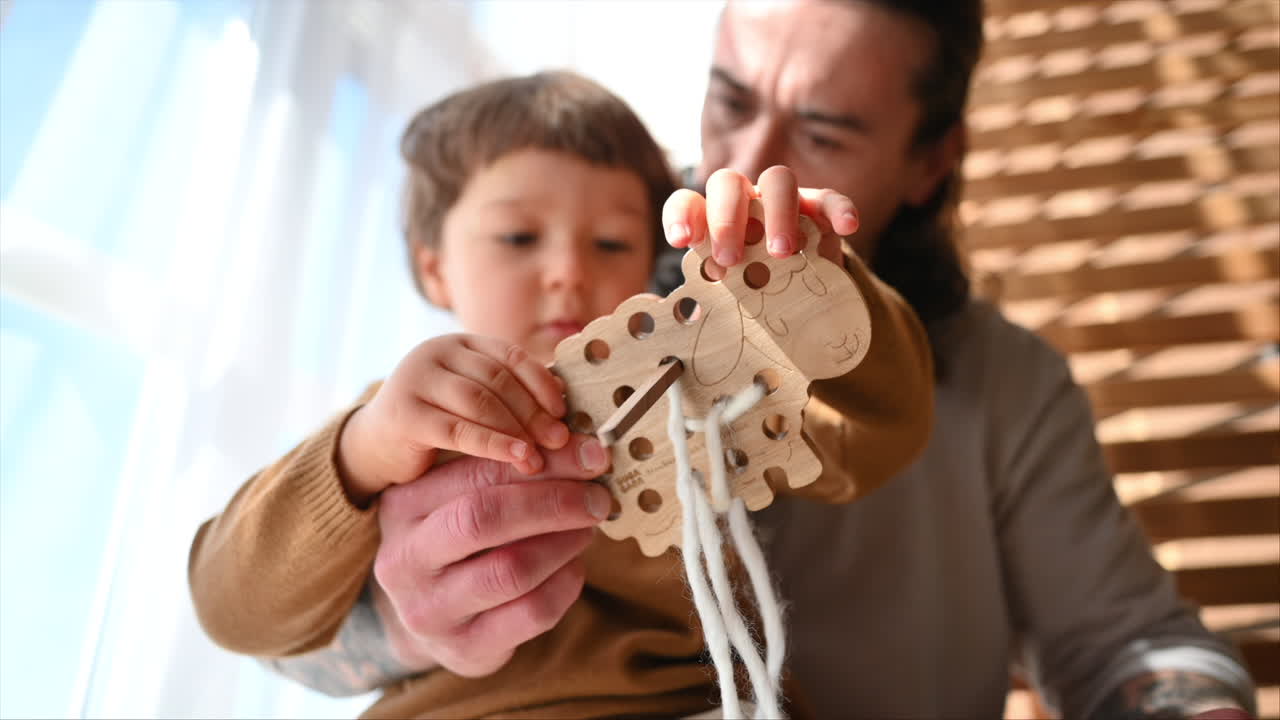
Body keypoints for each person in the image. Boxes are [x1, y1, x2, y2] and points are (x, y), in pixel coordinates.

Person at [249, 2, 1261, 718]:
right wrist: (420, 620)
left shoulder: (1000, 385)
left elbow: (1125, 646)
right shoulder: (582, 285)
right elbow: (280, 625)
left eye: (821, 130)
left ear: (929, 160)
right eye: (726, 99)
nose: (748, 158)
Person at [188, 68, 936, 718]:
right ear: (434, 268)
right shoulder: (395, 427)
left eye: (610, 243)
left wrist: (813, 283)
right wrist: (356, 454)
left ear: (650, 263)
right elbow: (229, 607)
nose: (567, 273)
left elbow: (884, 432)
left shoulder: (693, 389)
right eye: (518, 239)